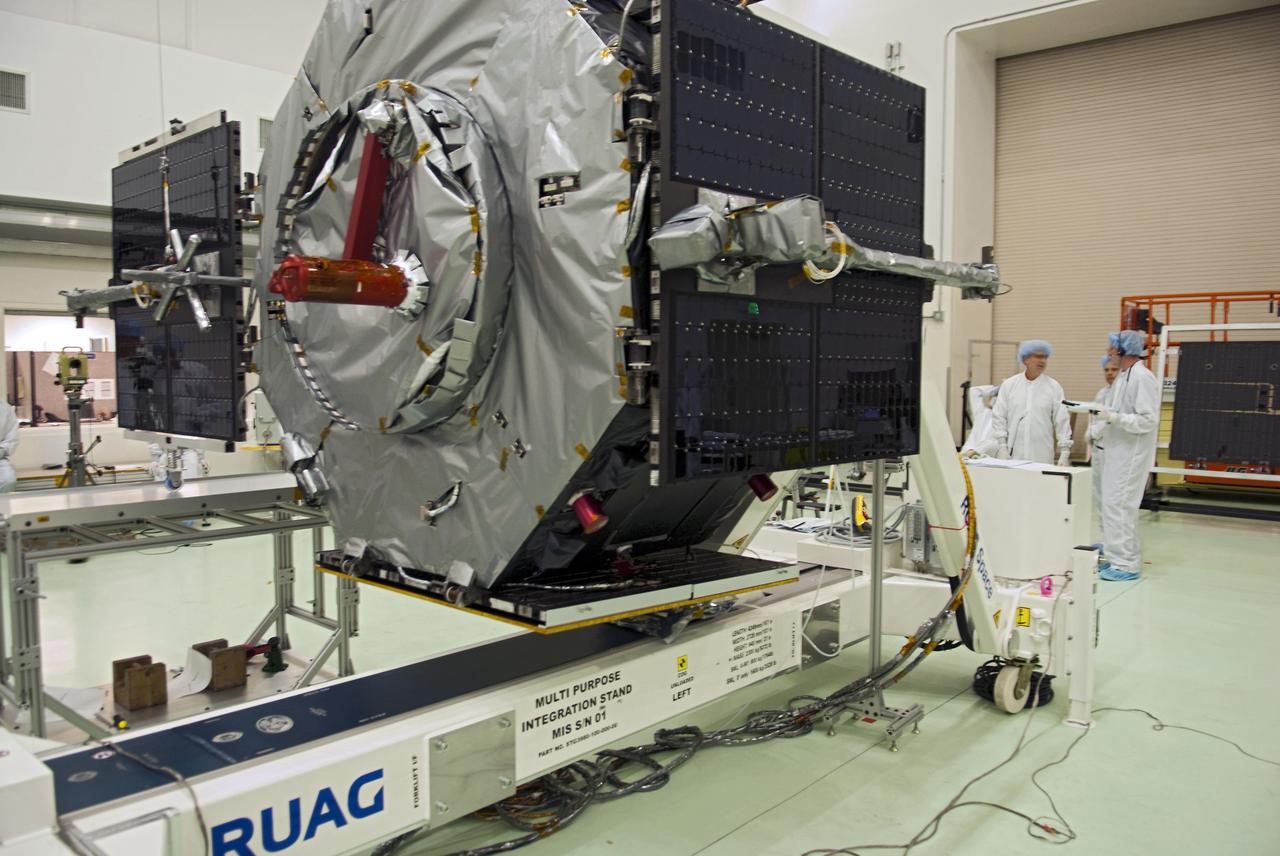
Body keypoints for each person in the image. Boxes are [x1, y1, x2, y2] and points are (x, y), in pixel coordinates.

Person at [1095, 330, 1160, 582]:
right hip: (1117, 451)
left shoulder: (1142, 378)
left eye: (1111, 348)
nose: (1108, 352)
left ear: (1123, 351)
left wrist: (1114, 418)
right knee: (1110, 505)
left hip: (1131, 454)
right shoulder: (1124, 377)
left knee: (1121, 506)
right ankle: (1114, 555)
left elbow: (1147, 420)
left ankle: (1127, 564)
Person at [983, 340, 1071, 465]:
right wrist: (1002, 446)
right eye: (1038, 356)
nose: (1043, 361)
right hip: (1013, 454)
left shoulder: (1053, 387)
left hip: (1042, 454)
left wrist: (1065, 452)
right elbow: (999, 416)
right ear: (1026, 359)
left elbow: (1062, 420)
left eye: (1045, 357)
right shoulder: (1009, 385)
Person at [1088, 355, 1120, 533]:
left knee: (1114, 499)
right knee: (1099, 496)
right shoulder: (1101, 394)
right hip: (1099, 451)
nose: (1109, 373)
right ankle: (1105, 538)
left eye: (1113, 369)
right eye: (1106, 370)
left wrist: (1097, 429)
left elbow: (1113, 420)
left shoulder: (1124, 394)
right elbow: (1095, 419)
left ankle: (1116, 541)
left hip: (1116, 452)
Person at [960, 385, 998, 455]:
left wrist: (975, 452)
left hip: (983, 457)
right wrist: (995, 388)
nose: (994, 399)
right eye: (995, 395)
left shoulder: (1006, 420)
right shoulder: (982, 413)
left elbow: (993, 445)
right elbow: (974, 391)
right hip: (967, 453)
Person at [0, 400, 19, 493]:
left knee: (8, 480)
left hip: (0, 458)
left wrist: (2, 450)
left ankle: (2, 507)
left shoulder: (5, 409)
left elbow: (11, 439)